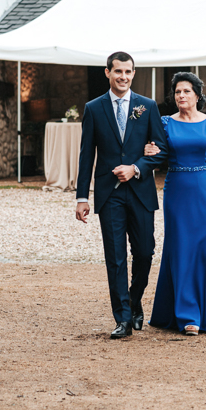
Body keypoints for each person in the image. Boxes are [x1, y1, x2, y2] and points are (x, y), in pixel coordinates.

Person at [75, 52, 168, 339]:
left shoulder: (147, 106)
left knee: (145, 252)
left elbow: (162, 150)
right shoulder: (94, 108)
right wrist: (82, 197)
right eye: (118, 72)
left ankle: (134, 298)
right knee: (115, 257)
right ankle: (123, 319)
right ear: (107, 73)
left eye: (128, 72)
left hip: (140, 191)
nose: (123, 77)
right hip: (109, 194)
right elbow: (86, 155)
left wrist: (137, 168)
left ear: (133, 73)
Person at [144, 72, 206, 336]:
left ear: (198, 95)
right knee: (181, 249)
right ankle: (187, 314)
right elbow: (156, 155)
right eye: (177, 92)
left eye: (186, 91)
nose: (181, 96)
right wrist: (148, 151)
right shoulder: (165, 123)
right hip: (177, 192)